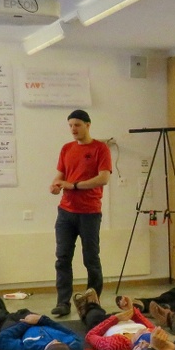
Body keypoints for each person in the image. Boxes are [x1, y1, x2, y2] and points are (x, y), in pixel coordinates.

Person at [50, 108, 112, 318]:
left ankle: (92, 303)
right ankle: (63, 302)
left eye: (77, 125)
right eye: (70, 125)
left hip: (89, 213)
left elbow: (103, 178)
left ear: (87, 125)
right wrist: (56, 185)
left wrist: (74, 185)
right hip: (66, 212)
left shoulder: (100, 148)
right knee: (63, 258)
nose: (73, 129)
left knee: (91, 259)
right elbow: (60, 175)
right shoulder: (66, 148)